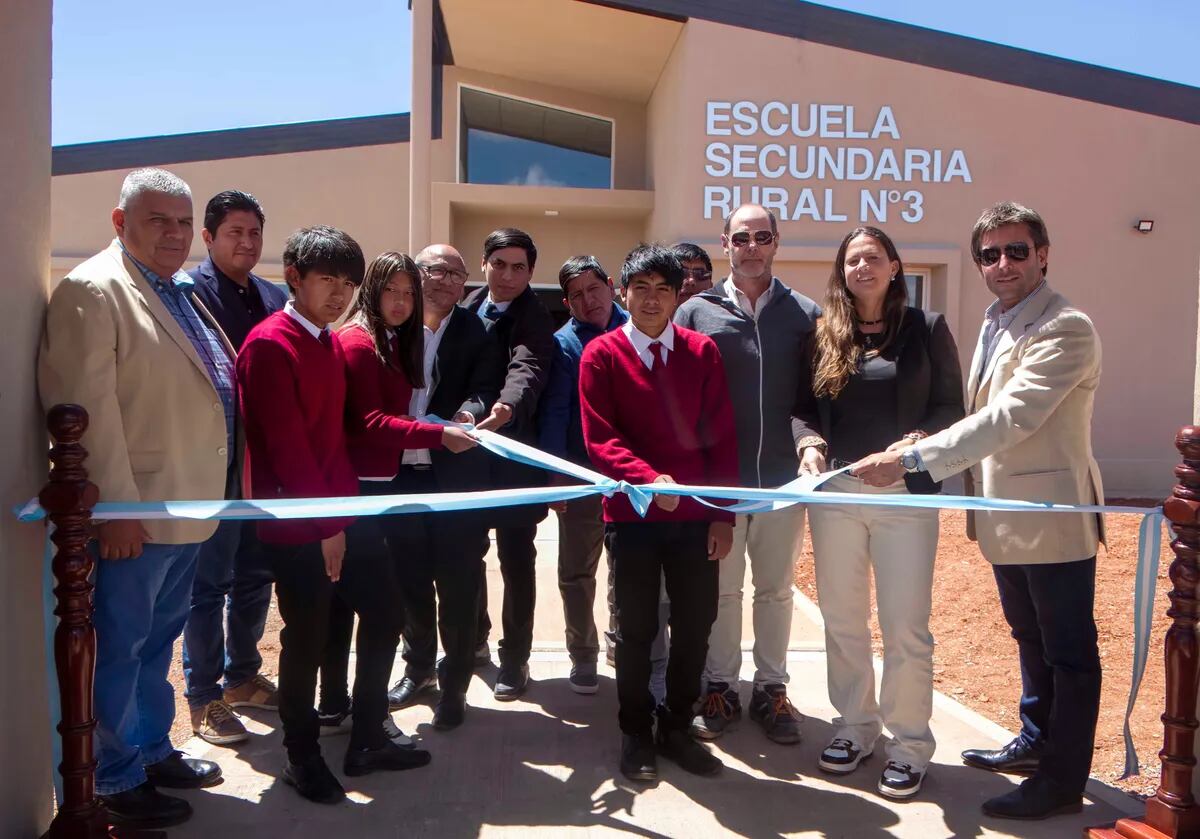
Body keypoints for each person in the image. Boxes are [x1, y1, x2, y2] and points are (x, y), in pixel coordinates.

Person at [852, 202, 1104, 820]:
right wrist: (922, 441)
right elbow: (979, 413)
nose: (1002, 264)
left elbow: (1012, 417)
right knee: (1029, 637)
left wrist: (914, 463)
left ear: (1043, 254)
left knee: (1069, 653)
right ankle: (1036, 738)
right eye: (989, 254)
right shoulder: (998, 320)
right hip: (1005, 515)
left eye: (1016, 251)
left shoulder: (1065, 327)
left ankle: (1062, 782)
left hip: (1052, 516)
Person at [38, 167, 228, 828]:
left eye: (182, 222)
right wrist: (115, 510)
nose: (175, 234)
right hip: (135, 516)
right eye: (158, 221)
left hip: (186, 509)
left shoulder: (176, 290)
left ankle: (150, 749)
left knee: (157, 642)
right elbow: (85, 410)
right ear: (121, 223)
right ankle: (115, 778)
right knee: (118, 648)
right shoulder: (94, 290)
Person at [237, 227, 431, 806]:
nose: (339, 293)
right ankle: (301, 756)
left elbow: (331, 443)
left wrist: (341, 520)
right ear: (293, 276)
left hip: (338, 514)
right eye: (327, 279)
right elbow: (289, 449)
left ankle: (368, 737)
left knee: (386, 611)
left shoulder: (321, 339)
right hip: (300, 524)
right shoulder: (271, 343)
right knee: (309, 638)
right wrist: (327, 528)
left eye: (348, 282)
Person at [793, 226, 964, 800]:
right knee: (843, 621)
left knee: (904, 626)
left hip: (904, 496)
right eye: (851, 260)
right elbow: (802, 409)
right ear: (841, 272)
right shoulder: (824, 333)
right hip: (838, 495)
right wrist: (809, 444)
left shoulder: (928, 329)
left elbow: (950, 408)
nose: (861, 267)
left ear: (894, 266)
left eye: (872, 257)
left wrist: (909, 448)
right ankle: (854, 726)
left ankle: (910, 744)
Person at [580, 243, 738, 783]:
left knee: (697, 625)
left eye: (662, 289)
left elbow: (722, 440)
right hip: (632, 518)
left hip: (695, 521)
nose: (651, 300)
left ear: (678, 297)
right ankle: (634, 730)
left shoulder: (702, 353)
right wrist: (649, 481)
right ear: (623, 294)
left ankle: (675, 726)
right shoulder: (600, 356)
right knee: (637, 629)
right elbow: (600, 439)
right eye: (640, 288)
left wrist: (723, 515)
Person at [318, 252, 477, 746]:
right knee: (380, 611)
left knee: (356, 606)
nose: (402, 302)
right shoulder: (361, 343)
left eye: (409, 293)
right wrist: (439, 436)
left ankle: (341, 708)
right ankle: (367, 722)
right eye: (393, 291)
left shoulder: (387, 340)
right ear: (372, 291)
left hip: (381, 487)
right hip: (362, 491)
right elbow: (367, 423)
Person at [675, 204, 820, 745]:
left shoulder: (805, 313)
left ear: (777, 242)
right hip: (722, 483)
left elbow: (814, 397)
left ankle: (771, 688)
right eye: (742, 238)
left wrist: (811, 446)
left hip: (785, 479)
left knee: (777, 590)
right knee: (724, 591)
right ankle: (720, 685)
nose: (752, 247)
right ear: (725, 243)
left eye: (762, 237)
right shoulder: (696, 313)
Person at [384, 244, 505, 729]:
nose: (448, 281)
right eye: (438, 270)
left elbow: (486, 387)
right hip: (398, 475)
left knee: (457, 584)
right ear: (416, 274)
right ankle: (417, 671)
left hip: (454, 475)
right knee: (409, 580)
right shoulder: (391, 328)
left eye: (457, 274)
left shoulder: (478, 330)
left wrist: (467, 416)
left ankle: (453, 685)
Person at [183, 189, 287, 746]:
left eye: (254, 233)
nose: (246, 243)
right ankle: (203, 698)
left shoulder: (273, 296)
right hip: (214, 462)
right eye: (234, 233)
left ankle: (242, 676)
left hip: (264, 464)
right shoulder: (185, 295)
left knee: (255, 576)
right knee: (209, 583)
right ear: (208, 237)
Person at [463, 228, 556, 701]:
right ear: (484, 264)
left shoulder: (537, 318)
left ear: (531, 272)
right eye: (499, 263)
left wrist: (505, 407)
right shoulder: (463, 309)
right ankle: (474, 642)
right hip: (465, 463)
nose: (508, 275)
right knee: (467, 555)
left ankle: (515, 658)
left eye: (519, 267)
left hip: (516, 461)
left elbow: (528, 366)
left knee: (517, 561)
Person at [537, 256, 631, 694]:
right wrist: (556, 471)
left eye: (594, 289)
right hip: (581, 473)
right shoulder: (562, 344)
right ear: (566, 302)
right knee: (577, 571)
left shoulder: (640, 327)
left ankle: (622, 642)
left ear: (611, 286)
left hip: (637, 476)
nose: (588, 301)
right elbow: (555, 409)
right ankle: (583, 654)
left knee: (630, 567)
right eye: (576, 296)